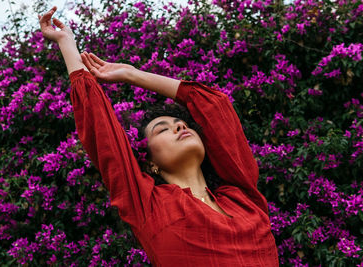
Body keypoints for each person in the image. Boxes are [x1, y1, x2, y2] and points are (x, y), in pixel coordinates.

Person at [39, 6, 279, 266]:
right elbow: (101, 129)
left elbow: (214, 105)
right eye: (162, 129)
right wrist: (66, 42)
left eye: (180, 124)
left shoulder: (243, 197)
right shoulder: (148, 205)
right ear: (150, 162)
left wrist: (133, 74)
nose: (179, 127)